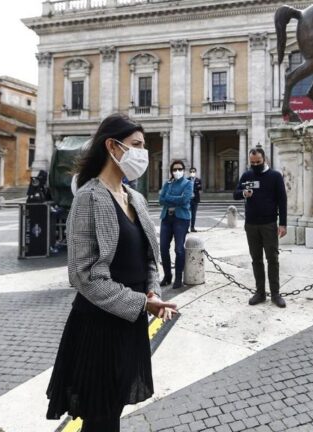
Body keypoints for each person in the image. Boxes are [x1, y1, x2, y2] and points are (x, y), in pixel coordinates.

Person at [46, 113, 177, 432]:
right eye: (136, 145)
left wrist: (152, 292)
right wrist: (141, 303)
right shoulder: (88, 198)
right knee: (100, 418)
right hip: (98, 326)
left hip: (129, 324)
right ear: (112, 146)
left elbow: (149, 256)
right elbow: (83, 275)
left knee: (114, 407)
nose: (142, 153)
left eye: (144, 146)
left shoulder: (137, 198)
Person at [233, 148, 288, 308]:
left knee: (272, 259)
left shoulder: (275, 176)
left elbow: (282, 201)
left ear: (265, 159)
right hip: (251, 224)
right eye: (252, 163)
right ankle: (260, 292)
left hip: (269, 223)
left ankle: (275, 293)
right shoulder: (247, 175)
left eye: (258, 162)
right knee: (256, 259)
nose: (255, 165)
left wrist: (282, 224)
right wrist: (244, 193)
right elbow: (235, 194)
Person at [158, 160, 194, 290]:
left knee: (179, 249)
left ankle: (178, 277)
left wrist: (169, 197)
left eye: (179, 169)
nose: (177, 171)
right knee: (163, 248)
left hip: (181, 219)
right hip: (166, 218)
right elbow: (160, 200)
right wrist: (175, 198)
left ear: (183, 170)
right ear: (171, 171)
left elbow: (185, 200)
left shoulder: (188, 183)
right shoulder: (167, 183)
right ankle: (167, 276)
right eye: (174, 169)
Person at [188, 167, 203, 232]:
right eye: (191, 171)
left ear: (195, 172)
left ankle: (192, 227)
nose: (192, 173)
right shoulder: (187, 180)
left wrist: (198, 188)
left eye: (193, 171)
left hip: (195, 199)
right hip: (188, 199)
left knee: (194, 214)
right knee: (188, 214)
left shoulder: (198, 180)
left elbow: (200, 188)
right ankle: (186, 228)